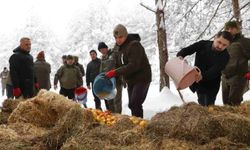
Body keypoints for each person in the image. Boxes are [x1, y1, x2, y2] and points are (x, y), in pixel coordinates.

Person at [105, 24, 152, 118]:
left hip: (142, 78)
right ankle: (137, 123)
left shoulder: (134, 45)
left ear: (126, 35)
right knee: (131, 105)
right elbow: (118, 64)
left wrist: (115, 72)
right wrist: (109, 74)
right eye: (116, 38)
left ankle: (139, 126)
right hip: (131, 80)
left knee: (135, 103)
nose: (118, 40)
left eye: (120, 37)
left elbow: (133, 65)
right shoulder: (119, 49)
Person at [176, 31, 233, 106]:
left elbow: (214, 71)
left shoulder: (225, 56)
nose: (220, 46)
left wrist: (202, 76)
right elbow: (187, 50)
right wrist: (180, 56)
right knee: (201, 103)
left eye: (224, 45)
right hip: (198, 82)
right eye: (219, 42)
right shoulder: (202, 44)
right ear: (215, 38)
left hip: (211, 85)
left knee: (208, 106)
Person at [222, 21, 250, 106]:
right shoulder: (224, 43)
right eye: (227, 29)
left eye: (232, 28)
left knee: (233, 103)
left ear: (237, 29)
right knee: (225, 103)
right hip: (224, 77)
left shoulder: (245, 42)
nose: (229, 30)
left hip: (238, 76)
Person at [98, 42, 115, 112]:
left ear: (106, 48)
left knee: (116, 100)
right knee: (109, 99)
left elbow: (111, 66)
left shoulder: (112, 54)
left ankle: (118, 116)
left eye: (103, 49)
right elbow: (101, 70)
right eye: (100, 50)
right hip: (107, 81)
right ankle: (112, 115)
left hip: (115, 79)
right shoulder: (102, 58)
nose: (102, 51)